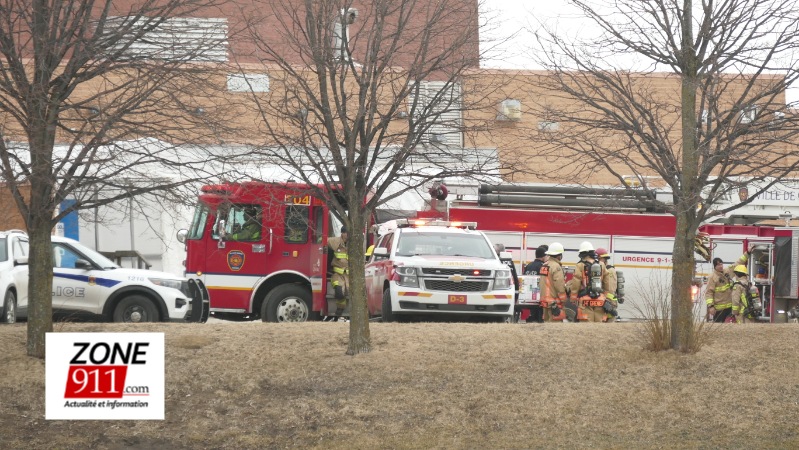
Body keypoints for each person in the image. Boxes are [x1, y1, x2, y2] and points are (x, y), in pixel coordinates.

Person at [706, 253, 750, 322]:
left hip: (730, 308)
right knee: (718, 329)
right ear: (715, 266)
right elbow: (709, 292)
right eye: (718, 265)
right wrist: (711, 306)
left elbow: (737, 263)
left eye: (721, 264)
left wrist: (747, 253)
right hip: (719, 310)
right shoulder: (712, 277)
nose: (721, 266)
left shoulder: (727, 272)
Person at [569, 241, 606, 322]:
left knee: (586, 328)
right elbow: (607, 283)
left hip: (585, 300)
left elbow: (576, 283)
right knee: (600, 328)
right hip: (600, 300)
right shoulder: (602, 265)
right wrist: (606, 298)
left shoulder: (580, 266)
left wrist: (573, 298)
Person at [326, 226, 349, 321]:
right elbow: (322, 240)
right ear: (342, 233)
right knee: (339, 292)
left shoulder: (354, 244)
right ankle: (339, 310)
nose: (348, 235)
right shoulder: (335, 242)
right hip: (338, 275)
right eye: (346, 233)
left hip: (350, 276)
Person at [539, 242, 567, 322]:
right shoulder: (556, 266)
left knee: (547, 326)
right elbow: (559, 285)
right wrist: (563, 300)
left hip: (545, 302)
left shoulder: (544, 265)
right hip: (554, 303)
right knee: (555, 328)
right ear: (559, 255)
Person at [522, 245, 548, 323]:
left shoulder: (529, 265)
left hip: (528, 296)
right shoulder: (543, 266)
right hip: (539, 297)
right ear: (543, 256)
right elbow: (545, 282)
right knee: (539, 318)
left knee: (532, 316)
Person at [596, 248, 619, 322]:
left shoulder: (609, 271)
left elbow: (609, 289)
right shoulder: (604, 269)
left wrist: (607, 305)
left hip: (609, 303)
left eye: (598, 259)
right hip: (606, 301)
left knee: (608, 325)